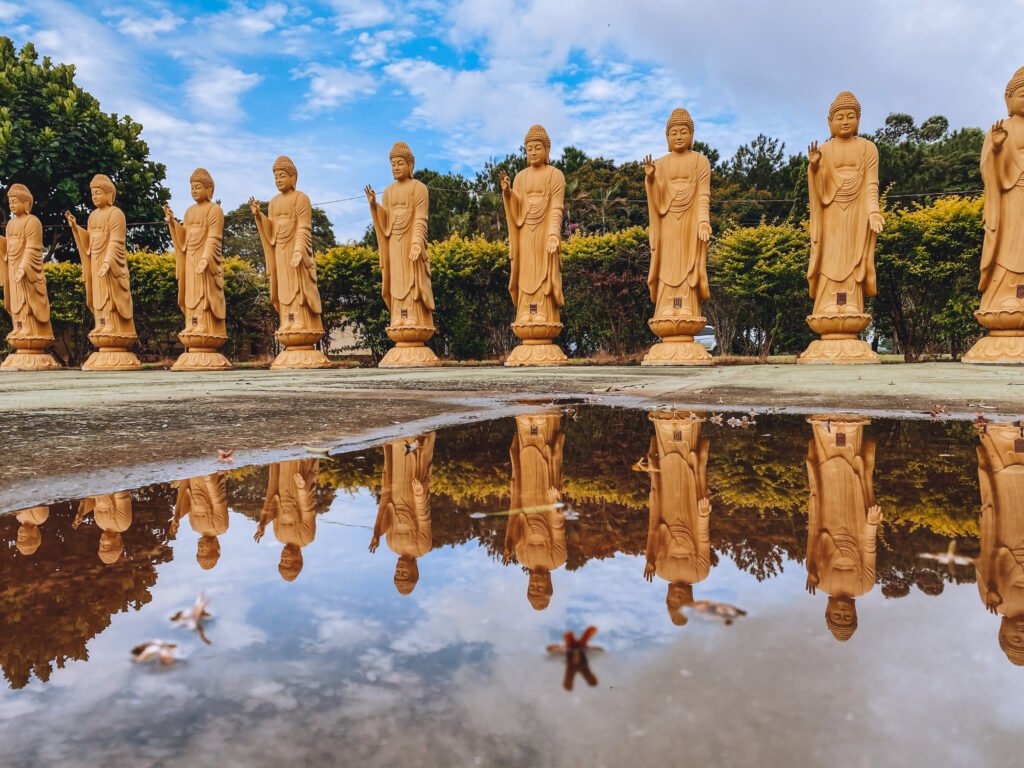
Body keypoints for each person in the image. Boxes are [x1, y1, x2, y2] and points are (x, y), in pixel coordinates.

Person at [804, 416, 882, 642]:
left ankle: (825, 431)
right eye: (846, 617)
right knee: (852, 478)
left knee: (827, 481)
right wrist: (871, 525)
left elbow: (815, 548)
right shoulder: (864, 585)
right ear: (855, 614)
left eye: (836, 616)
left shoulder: (822, 584)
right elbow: (869, 550)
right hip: (856, 524)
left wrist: (811, 570)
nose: (842, 612)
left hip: (828, 522)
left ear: (827, 612)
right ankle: (850, 431)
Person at [504, 414, 565, 610]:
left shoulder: (523, 557)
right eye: (540, 587)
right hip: (545, 503)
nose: (536, 583)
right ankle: (544, 422)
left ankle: (525, 426)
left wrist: (508, 544)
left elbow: (517, 525)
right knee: (545, 462)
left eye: (532, 587)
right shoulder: (557, 559)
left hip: (526, 499)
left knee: (525, 464)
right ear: (549, 585)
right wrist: (555, 504)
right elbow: (557, 528)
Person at [369, 434, 435, 595]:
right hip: (413, 496)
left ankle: (400, 440)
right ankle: (415, 438)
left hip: (397, 492)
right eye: (404, 574)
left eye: (396, 573)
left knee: (399, 456)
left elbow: (387, 513)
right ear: (414, 572)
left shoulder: (392, 545)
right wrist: (419, 495)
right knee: (414, 460)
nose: (399, 570)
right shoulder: (422, 547)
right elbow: (423, 516)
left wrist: (377, 533)